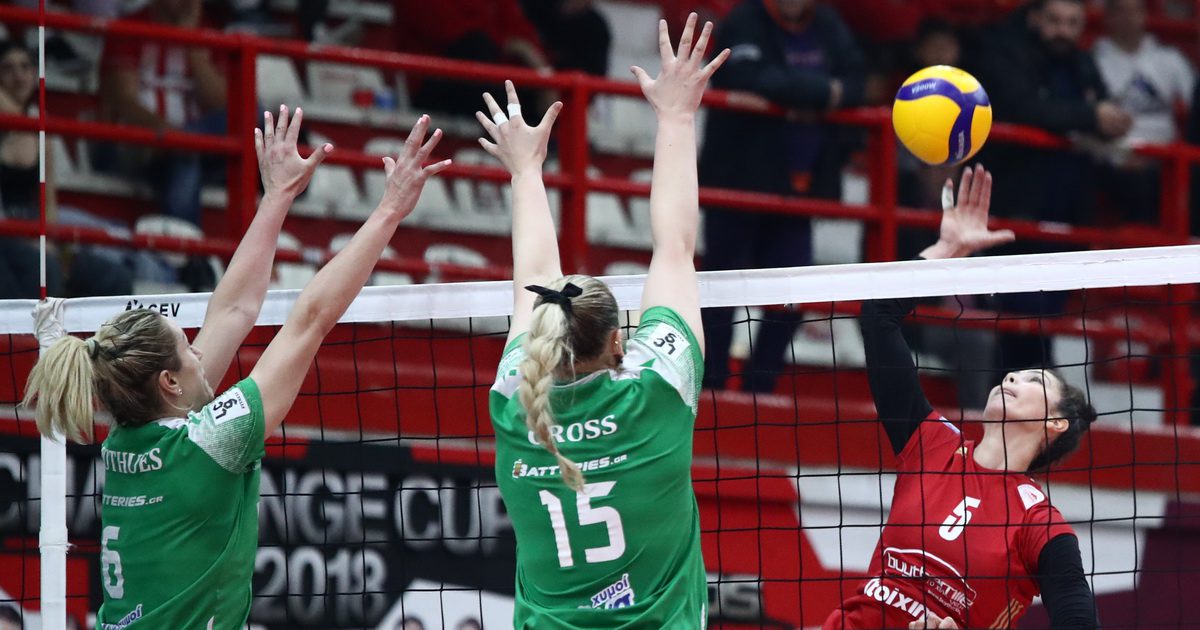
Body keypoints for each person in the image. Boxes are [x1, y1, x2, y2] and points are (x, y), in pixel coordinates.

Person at [22, 108, 451, 628]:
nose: (201, 353)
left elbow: (231, 311)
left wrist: (277, 196)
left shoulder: (125, 437)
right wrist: (390, 210)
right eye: (188, 348)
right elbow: (310, 320)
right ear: (169, 382)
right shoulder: (208, 442)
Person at [482, 14, 727, 626]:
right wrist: (677, 116)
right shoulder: (657, 390)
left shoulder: (515, 403)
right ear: (620, 343)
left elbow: (532, 272)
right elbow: (674, 247)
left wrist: (524, 170)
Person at [825, 165, 1098, 630]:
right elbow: (878, 318)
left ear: (1056, 423)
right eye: (1014, 373)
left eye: (1034, 380)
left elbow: (1079, 620)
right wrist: (947, 252)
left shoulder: (1040, 524)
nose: (1012, 377)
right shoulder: (932, 445)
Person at [698, 0, 867, 393]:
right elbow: (743, 77)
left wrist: (789, 97)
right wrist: (823, 92)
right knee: (721, 290)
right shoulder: (743, 21)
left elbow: (858, 83)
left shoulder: (829, 25)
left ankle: (760, 387)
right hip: (737, 185)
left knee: (794, 294)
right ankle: (712, 386)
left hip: (797, 193)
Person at [96, 0, 229, 227]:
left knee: (252, 115)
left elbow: (221, 105)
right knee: (185, 156)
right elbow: (123, 101)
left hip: (197, 148)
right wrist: (168, 133)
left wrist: (192, 43)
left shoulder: (210, 33)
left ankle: (186, 141)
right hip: (138, 144)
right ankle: (182, 245)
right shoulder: (130, 28)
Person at [1093, 0, 1194, 223]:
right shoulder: (1094, 60)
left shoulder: (1170, 59)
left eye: (1135, 10)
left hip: (1165, 160)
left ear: (1144, 15)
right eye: (1121, 10)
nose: (1129, 17)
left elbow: (1194, 103)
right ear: (1108, 16)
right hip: (1112, 159)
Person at [394, 0, 551, 117]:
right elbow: (449, 30)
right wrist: (511, 45)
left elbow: (520, 29)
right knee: (476, 47)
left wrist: (543, 71)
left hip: (489, 73)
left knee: (536, 86)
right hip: (435, 79)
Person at [519, 0, 612, 78]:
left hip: (566, 87)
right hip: (524, 78)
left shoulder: (596, 27)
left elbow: (595, 74)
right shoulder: (537, 8)